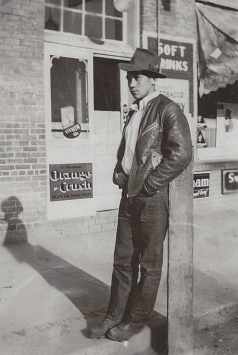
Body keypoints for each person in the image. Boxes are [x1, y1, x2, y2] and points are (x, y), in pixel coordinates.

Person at [90, 48, 192, 342]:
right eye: (129, 78)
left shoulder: (167, 109)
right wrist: (117, 171)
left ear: (152, 79)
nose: (132, 83)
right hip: (128, 196)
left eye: (138, 77)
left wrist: (149, 184)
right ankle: (114, 314)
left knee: (149, 265)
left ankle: (134, 322)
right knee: (122, 260)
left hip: (151, 199)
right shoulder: (135, 111)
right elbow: (129, 151)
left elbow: (182, 153)